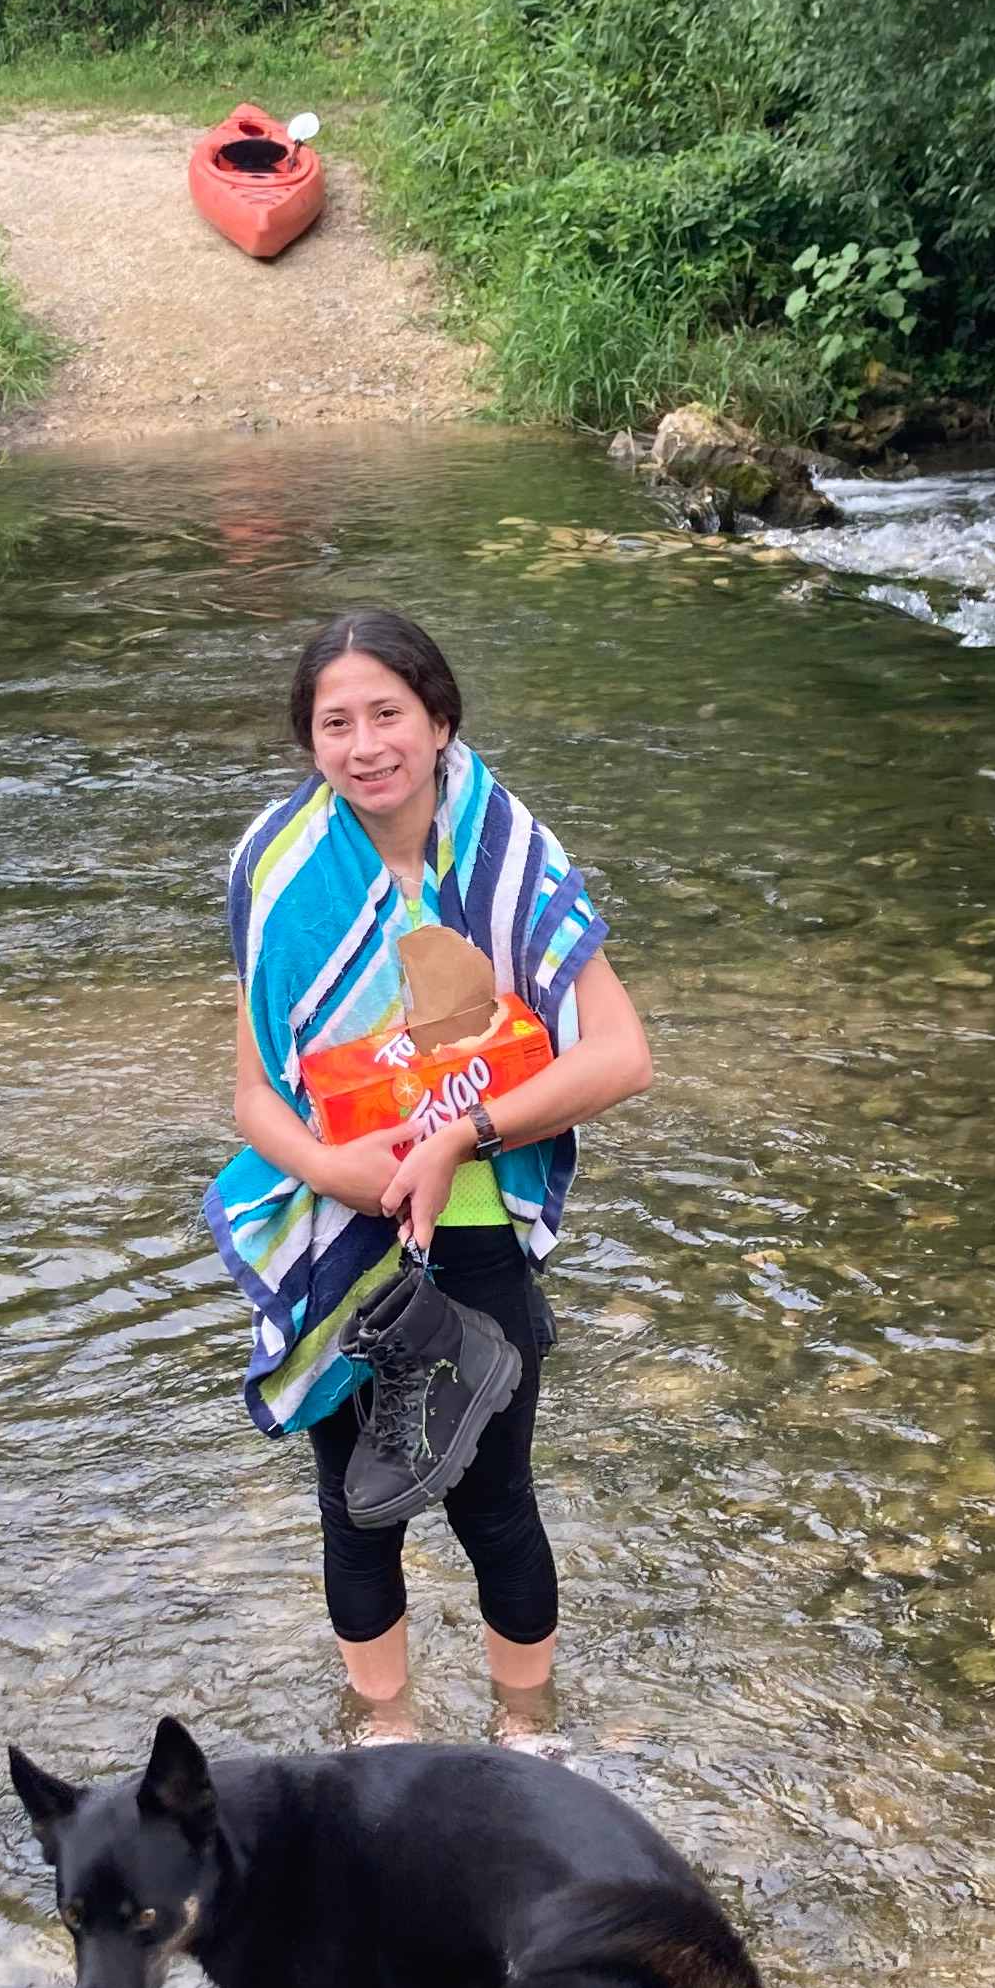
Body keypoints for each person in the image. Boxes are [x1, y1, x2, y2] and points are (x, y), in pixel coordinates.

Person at [205, 610, 653, 1736]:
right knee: (356, 1510)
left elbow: (622, 1056)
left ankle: (529, 1735)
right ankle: (386, 1741)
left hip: (476, 1228)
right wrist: (331, 1166)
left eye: (388, 714)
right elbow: (255, 1096)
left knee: (496, 1503)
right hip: (342, 1226)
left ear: (440, 719)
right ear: (310, 741)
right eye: (336, 723)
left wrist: (463, 1136)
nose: (366, 747)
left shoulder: (509, 861)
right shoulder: (281, 875)